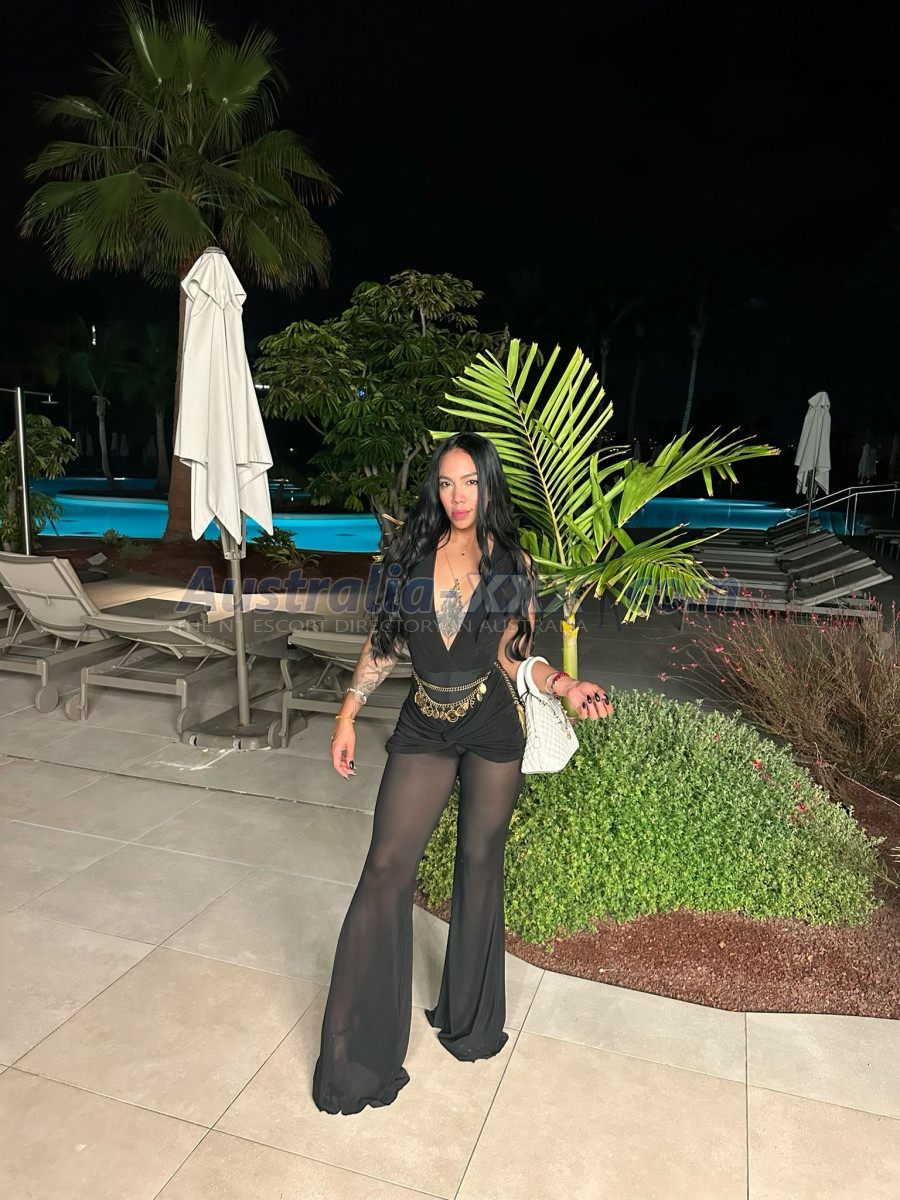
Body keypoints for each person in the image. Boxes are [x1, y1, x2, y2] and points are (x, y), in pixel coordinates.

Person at [312, 432, 614, 1116]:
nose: (459, 496)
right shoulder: (407, 554)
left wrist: (565, 684)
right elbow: (384, 644)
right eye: (447, 483)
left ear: (488, 485)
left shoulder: (511, 561)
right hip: (423, 721)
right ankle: (358, 1057)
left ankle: (471, 1021)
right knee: (385, 868)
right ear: (435, 489)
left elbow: (514, 657)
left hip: (490, 725)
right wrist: (347, 714)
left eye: (471, 482)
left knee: (480, 863)